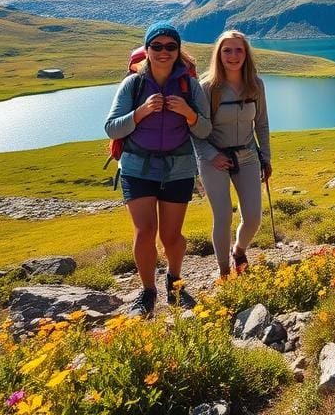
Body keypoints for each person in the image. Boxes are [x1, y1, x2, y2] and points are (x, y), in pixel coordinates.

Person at [105, 22, 211, 317]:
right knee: (145, 230)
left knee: (172, 236)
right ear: (147, 50)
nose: (164, 52)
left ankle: (174, 281)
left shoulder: (189, 86)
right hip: (137, 167)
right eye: (157, 46)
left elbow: (205, 129)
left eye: (170, 47)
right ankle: (147, 291)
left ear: (178, 51)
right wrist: (140, 112)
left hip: (178, 167)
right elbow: (111, 127)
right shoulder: (133, 84)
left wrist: (188, 113)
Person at [196, 30, 272, 278]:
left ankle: (238, 250)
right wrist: (211, 155)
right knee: (223, 216)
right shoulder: (207, 87)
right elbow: (195, 130)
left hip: (248, 155)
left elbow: (261, 124)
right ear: (218, 54)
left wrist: (266, 157)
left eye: (239, 50)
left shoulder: (256, 85)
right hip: (214, 159)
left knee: (252, 218)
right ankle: (224, 271)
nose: (233, 55)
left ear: (246, 54)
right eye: (227, 50)